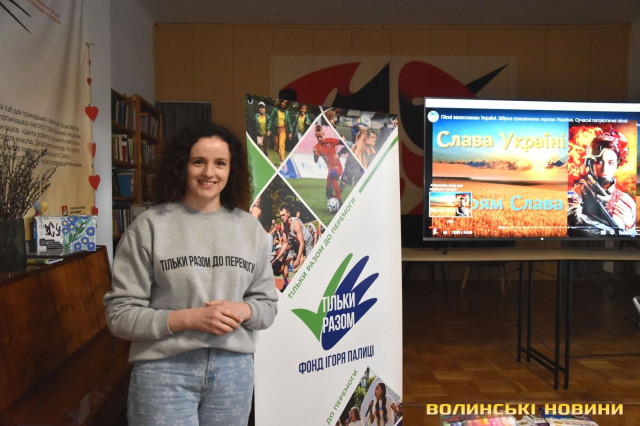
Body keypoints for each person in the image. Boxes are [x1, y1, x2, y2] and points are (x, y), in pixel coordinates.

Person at [103, 120, 279, 425]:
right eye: (199, 162)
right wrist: (191, 318)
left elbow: (267, 307)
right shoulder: (149, 227)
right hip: (164, 370)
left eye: (220, 163)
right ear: (181, 165)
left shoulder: (250, 229)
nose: (209, 172)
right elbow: (119, 315)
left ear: (231, 170)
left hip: (234, 372)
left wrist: (242, 310)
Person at [567, 127, 636, 237]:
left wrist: (630, 225)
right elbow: (574, 225)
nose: (604, 168)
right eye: (599, 162)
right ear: (590, 163)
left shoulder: (626, 201)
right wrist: (616, 232)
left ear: (617, 164)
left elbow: (633, 239)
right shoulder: (577, 193)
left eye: (610, 162)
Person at [313, 124, 347, 203]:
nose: (319, 139)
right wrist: (314, 154)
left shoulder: (330, 140)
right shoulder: (317, 147)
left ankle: (339, 198)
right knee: (328, 195)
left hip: (337, 167)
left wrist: (339, 153)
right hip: (330, 169)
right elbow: (316, 160)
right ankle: (336, 203)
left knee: (332, 175)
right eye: (317, 137)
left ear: (323, 134)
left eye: (320, 136)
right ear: (315, 136)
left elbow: (344, 143)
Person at [280, 205, 314, 270]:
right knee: (285, 259)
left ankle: (302, 264)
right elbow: (285, 243)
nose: (282, 217)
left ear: (288, 214)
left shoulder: (295, 223)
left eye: (283, 215)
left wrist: (297, 259)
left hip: (307, 241)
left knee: (310, 262)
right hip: (298, 242)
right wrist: (277, 258)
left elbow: (302, 242)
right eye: (280, 216)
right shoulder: (283, 226)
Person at [269, 98, 293, 162]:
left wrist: (290, 132)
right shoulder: (275, 110)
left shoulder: (286, 112)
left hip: (283, 129)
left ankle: (282, 161)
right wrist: (268, 129)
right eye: (283, 102)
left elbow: (289, 122)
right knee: (277, 148)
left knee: (281, 145)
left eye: (285, 103)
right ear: (280, 102)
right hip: (276, 129)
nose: (283, 104)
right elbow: (271, 120)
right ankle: (279, 154)